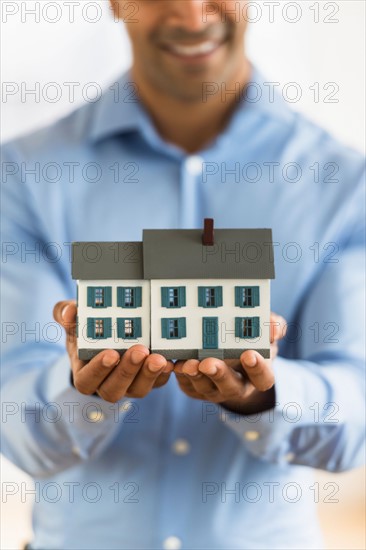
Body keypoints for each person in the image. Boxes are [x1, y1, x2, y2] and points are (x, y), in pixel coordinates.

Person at [1, 1, 365, 549]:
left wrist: (265, 397)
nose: (193, 16)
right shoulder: (26, 176)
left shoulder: (344, 184)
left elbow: (353, 426)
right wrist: (78, 391)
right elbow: (16, 428)